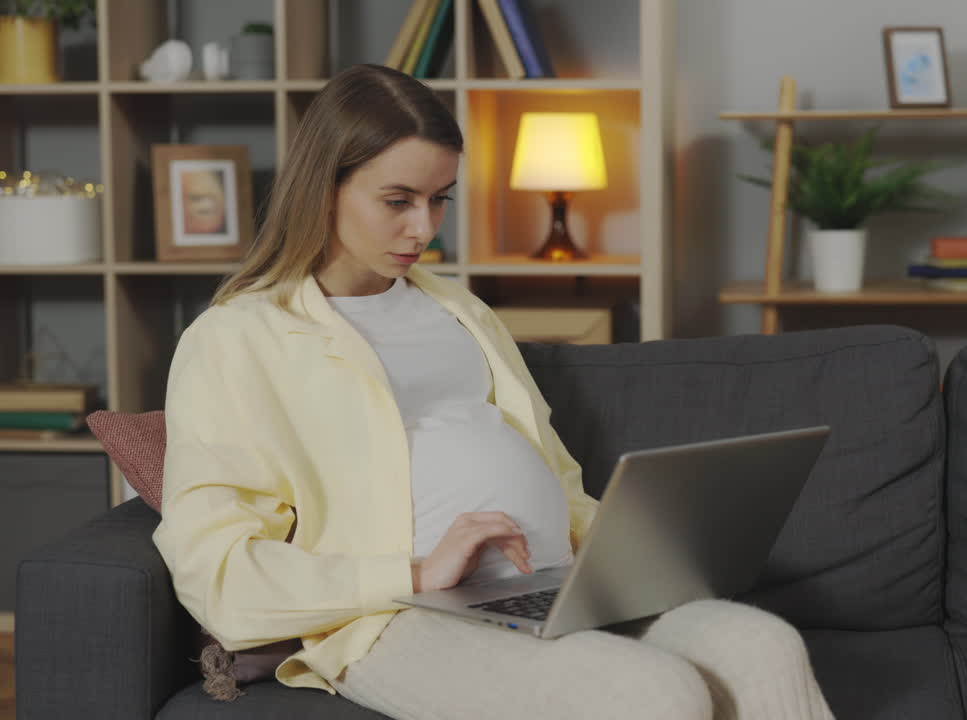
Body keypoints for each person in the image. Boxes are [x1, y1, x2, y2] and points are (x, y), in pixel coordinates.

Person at [153, 63, 834, 720]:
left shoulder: (459, 310)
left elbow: (558, 476)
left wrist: (630, 555)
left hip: (555, 584)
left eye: (439, 199)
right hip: (396, 617)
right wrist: (417, 573)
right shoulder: (236, 338)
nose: (424, 229)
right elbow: (217, 573)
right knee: (653, 694)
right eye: (398, 201)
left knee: (762, 647)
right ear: (323, 188)